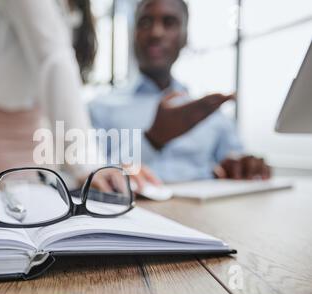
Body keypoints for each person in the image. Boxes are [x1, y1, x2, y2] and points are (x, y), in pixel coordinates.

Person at [0, 0, 160, 190]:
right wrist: (89, 165)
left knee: (43, 216)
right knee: (6, 219)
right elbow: (53, 61)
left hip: (36, 132)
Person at [89, 0, 271, 183]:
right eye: (145, 22)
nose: (156, 33)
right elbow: (90, 177)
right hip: (131, 209)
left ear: (184, 37)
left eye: (169, 22)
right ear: (133, 34)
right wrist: (153, 139)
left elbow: (235, 158)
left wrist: (242, 166)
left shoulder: (207, 111)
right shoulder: (99, 108)